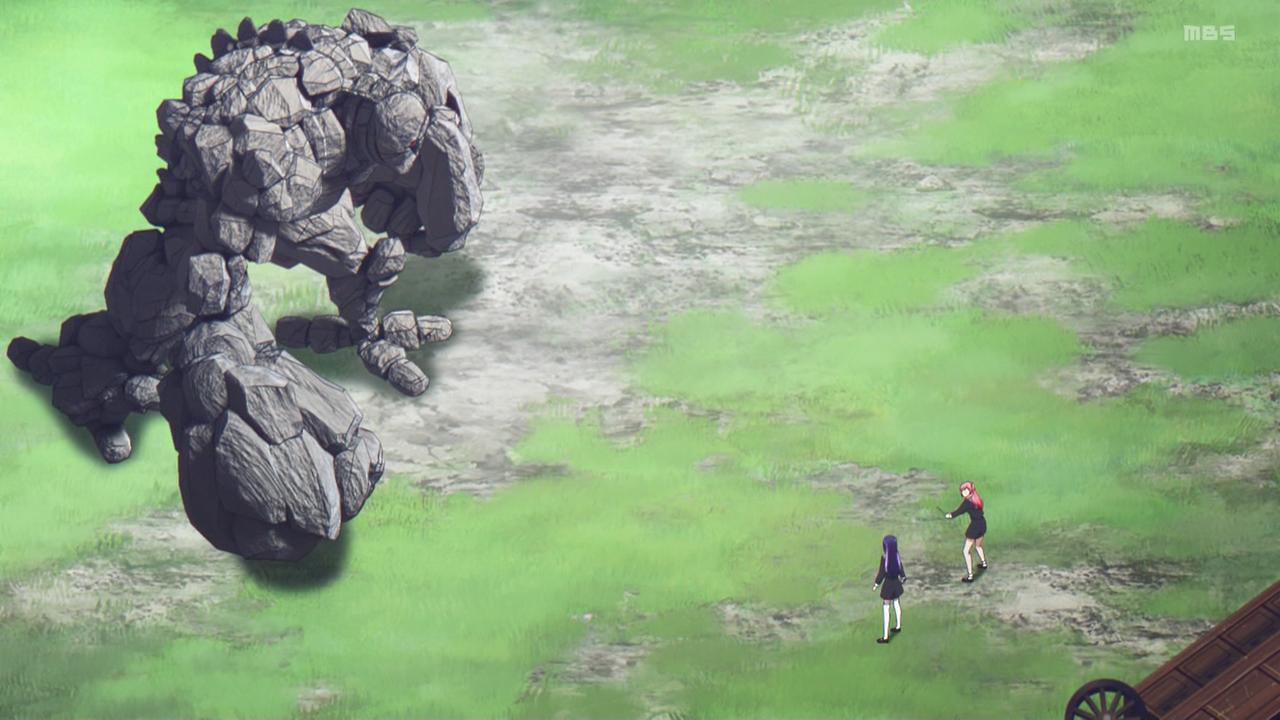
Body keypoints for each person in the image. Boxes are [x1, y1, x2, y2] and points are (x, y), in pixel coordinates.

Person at [945, 481, 987, 583]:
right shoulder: (976, 498)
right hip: (982, 524)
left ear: (970, 490)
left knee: (966, 551)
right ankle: (984, 563)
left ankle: (970, 576)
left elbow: (959, 511)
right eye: (962, 491)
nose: (963, 492)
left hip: (975, 527)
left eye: (965, 490)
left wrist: (950, 515)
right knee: (978, 546)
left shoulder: (967, 502)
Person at [872, 534, 906, 643]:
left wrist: (876, 584)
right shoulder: (897, 556)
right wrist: (903, 577)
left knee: (886, 608)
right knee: (896, 604)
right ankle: (898, 626)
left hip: (888, 586)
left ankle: (885, 637)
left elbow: (881, 573)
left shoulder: (885, 558)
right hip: (896, 584)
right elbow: (901, 569)